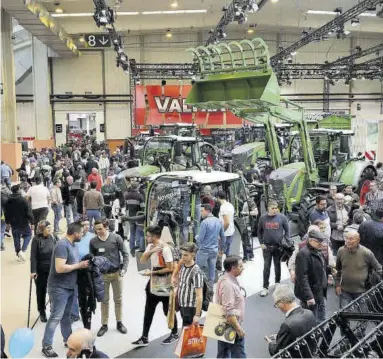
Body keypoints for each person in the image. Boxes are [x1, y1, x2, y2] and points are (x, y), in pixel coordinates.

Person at [41, 223, 89, 358]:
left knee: (66, 316)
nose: (83, 234)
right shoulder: (62, 245)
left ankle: (68, 339)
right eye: (81, 232)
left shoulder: (73, 245)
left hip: (69, 286)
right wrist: (79, 265)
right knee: (56, 316)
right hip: (59, 288)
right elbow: (60, 268)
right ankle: (46, 345)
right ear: (75, 233)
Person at [131, 225, 179, 348]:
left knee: (167, 310)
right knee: (148, 310)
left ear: (154, 236)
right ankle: (144, 337)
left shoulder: (166, 249)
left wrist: (153, 272)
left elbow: (170, 268)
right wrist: (151, 250)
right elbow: (142, 260)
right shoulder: (150, 246)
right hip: (153, 283)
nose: (146, 237)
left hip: (165, 283)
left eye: (148, 236)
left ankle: (174, 333)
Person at [90, 219, 129, 337]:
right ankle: (104, 324)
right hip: (102, 276)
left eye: (100, 228)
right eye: (96, 229)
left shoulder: (116, 238)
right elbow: (92, 258)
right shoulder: (93, 241)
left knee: (118, 299)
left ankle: (119, 322)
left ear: (106, 227)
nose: (98, 231)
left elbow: (125, 254)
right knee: (104, 300)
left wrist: (124, 269)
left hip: (117, 274)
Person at [335, 230, 382, 311]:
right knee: (343, 317)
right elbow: (338, 270)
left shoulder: (366, 253)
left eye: (351, 239)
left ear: (358, 240)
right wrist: (337, 285)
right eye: (346, 238)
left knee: (363, 316)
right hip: (345, 291)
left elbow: (379, 268)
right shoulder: (341, 251)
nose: (348, 241)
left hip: (362, 292)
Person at [268, 284, 316, 356]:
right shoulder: (309, 313)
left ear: (282, 302)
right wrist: (279, 336)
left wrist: (270, 343)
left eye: (276, 304)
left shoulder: (287, 325)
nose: (277, 307)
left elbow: (276, 352)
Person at [295, 229, 328, 323]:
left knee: (321, 316)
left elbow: (321, 266)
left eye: (322, 241)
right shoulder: (303, 254)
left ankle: (321, 331)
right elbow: (302, 277)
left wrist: (328, 274)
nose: (321, 244)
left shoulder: (317, 250)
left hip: (319, 291)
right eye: (319, 242)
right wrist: (309, 296)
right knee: (310, 319)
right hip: (311, 293)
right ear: (311, 240)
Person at [216, 256, 246, 358]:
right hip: (231, 325)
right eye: (241, 266)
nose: (243, 268)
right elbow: (229, 311)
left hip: (222, 323)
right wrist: (239, 329)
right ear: (233, 268)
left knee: (223, 353)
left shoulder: (224, 278)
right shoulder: (228, 285)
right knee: (239, 354)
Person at [258, 200, 289, 297]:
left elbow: (287, 231)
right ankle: (265, 287)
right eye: (273, 208)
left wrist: (286, 242)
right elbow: (259, 231)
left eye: (276, 208)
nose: (275, 210)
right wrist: (261, 243)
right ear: (268, 208)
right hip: (266, 247)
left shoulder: (282, 217)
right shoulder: (263, 218)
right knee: (266, 267)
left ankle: (277, 283)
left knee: (277, 265)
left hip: (278, 246)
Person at [30, 221, 59, 323]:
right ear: (42, 229)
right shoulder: (36, 239)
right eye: (47, 228)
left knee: (53, 290)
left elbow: (59, 250)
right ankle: (42, 311)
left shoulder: (54, 237)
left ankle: (54, 309)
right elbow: (33, 256)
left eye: (50, 227)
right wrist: (33, 271)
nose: (50, 230)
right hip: (40, 271)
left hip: (53, 270)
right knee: (41, 292)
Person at [172, 242, 203, 327]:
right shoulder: (183, 265)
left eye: (186, 255)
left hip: (190, 308)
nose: (182, 257)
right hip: (183, 305)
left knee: (189, 334)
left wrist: (197, 315)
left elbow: (199, 296)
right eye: (182, 255)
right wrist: (175, 279)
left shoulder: (196, 272)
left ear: (193, 255)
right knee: (186, 331)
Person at [195, 204, 225, 284]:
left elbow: (200, 239)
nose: (201, 213)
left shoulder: (204, 223)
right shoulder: (219, 221)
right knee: (212, 271)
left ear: (208, 211)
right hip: (214, 251)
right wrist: (221, 249)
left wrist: (196, 237)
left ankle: (198, 288)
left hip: (204, 250)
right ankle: (210, 289)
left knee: (197, 270)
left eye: (202, 211)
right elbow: (223, 236)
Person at [3, 185, 34, 262]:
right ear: (19, 190)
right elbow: (29, 212)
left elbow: (6, 213)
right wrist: (32, 222)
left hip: (13, 222)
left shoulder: (7, 201)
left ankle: (18, 251)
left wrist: (7, 222)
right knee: (28, 235)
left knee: (16, 237)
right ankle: (22, 251)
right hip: (24, 222)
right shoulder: (23, 200)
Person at [125, 182, 145, 256]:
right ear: (138, 187)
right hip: (138, 217)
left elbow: (126, 207)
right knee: (138, 234)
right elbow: (143, 207)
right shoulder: (140, 196)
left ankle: (132, 250)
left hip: (130, 217)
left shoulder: (127, 196)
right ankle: (139, 249)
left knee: (132, 234)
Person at [217, 190, 235, 256]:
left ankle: (222, 266)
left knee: (221, 254)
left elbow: (226, 222)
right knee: (227, 253)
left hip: (225, 234)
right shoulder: (230, 205)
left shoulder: (223, 207)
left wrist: (220, 233)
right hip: (231, 232)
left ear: (218, 197)